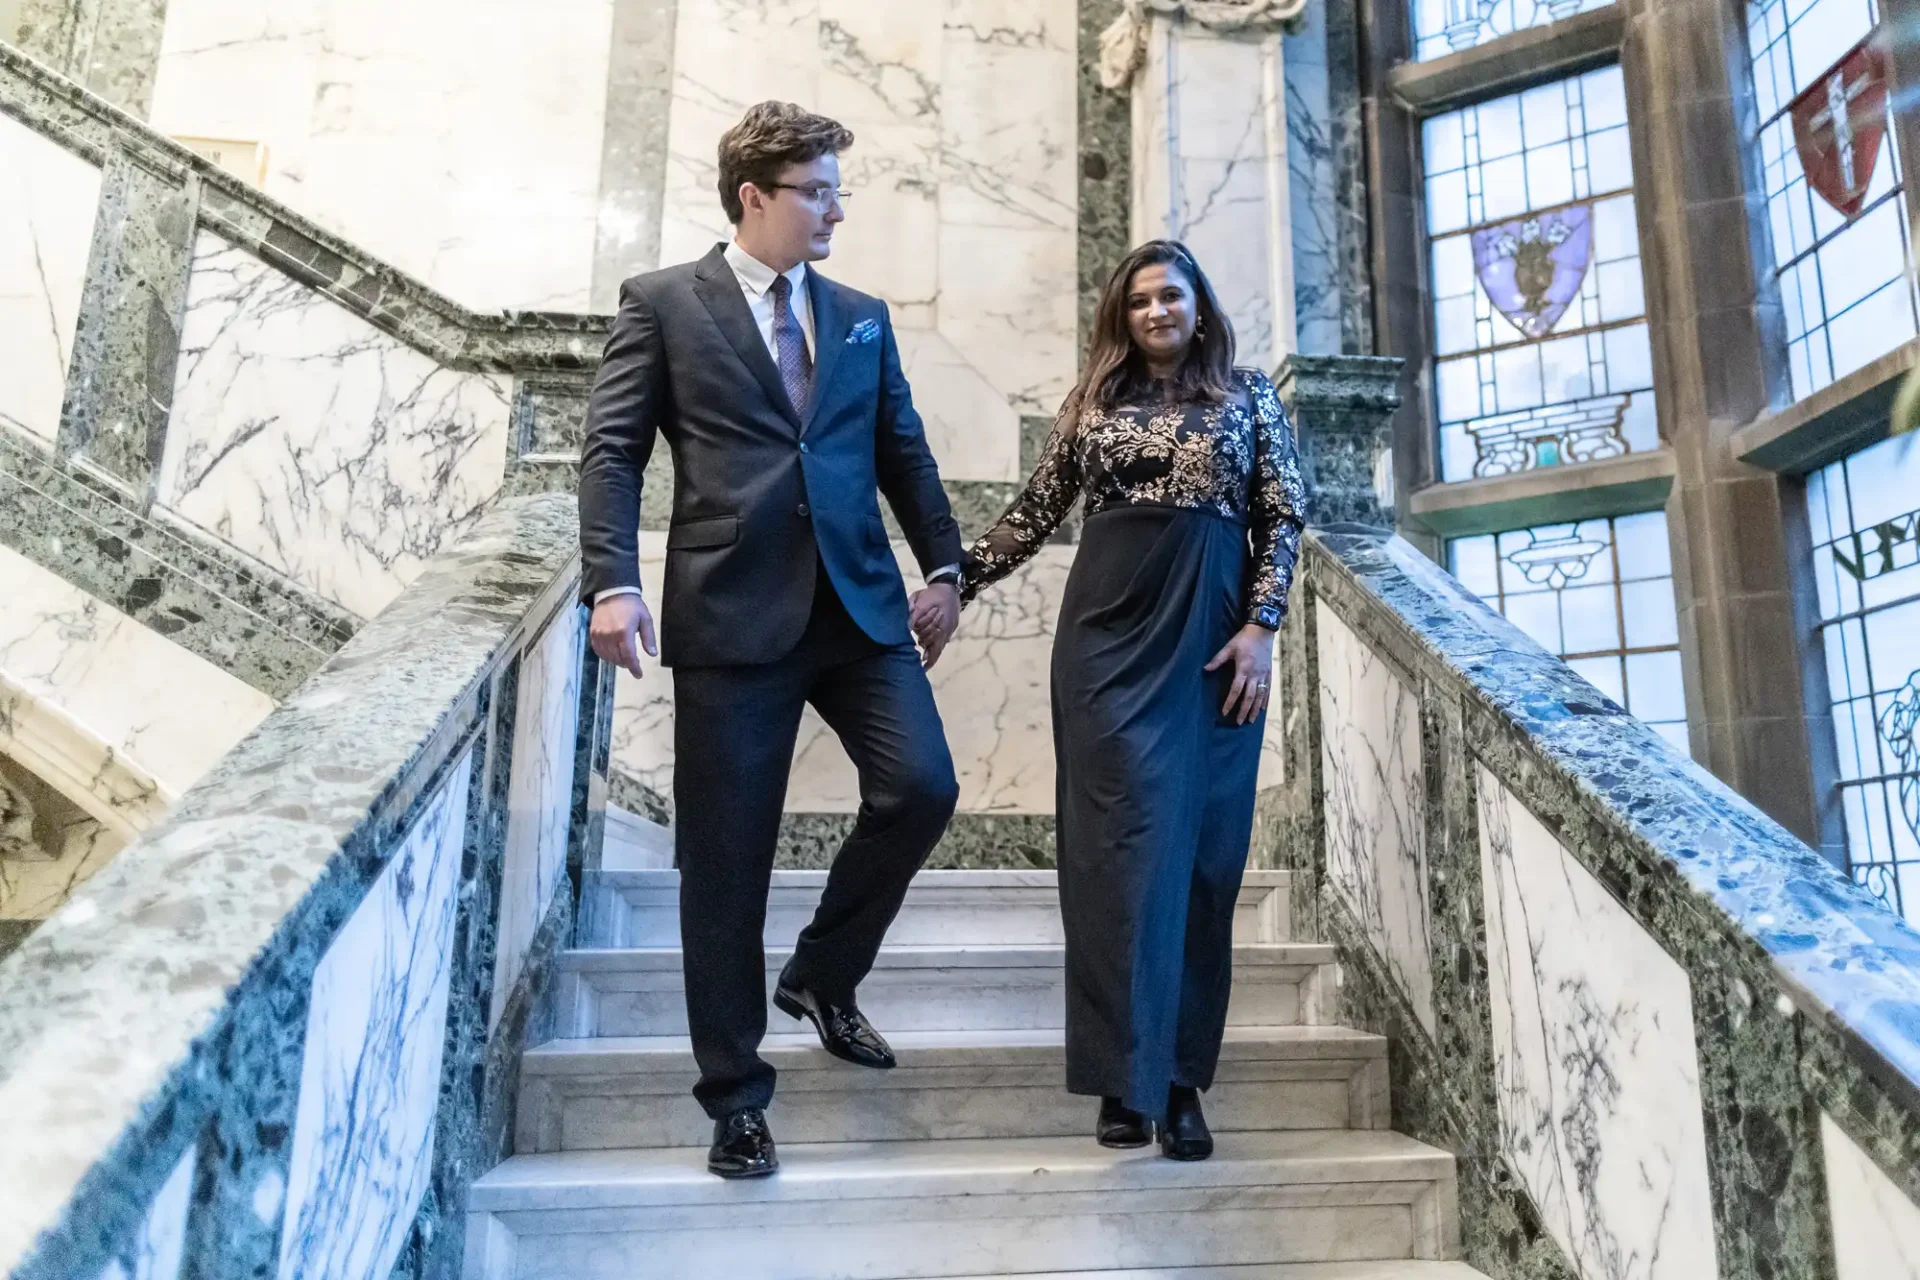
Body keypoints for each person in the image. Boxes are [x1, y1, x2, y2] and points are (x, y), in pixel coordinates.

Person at [578, 101, 965, 1180]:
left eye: (840, 190)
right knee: (726, 864)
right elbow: (611, 453)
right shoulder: (663, 304)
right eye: (820, 192)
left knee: (922, 787)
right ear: (755, 196)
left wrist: (944, 566)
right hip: (731, 612)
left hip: (858, 606)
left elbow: (904, 450)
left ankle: (825, 974)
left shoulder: (857, 313)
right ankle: (736, 1097)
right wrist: (611, 580)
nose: (838, 210)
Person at [950, 240, 1307, 1162]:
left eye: (1171, 297)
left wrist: (1263, 626)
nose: (1156, 312)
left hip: (1214, 644)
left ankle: (1182, 1083)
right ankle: (1121, 1082)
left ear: (1199, 305)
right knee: (1113, 860)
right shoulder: (1095, 401)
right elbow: (1035, 508)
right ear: (1123, 311)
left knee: (1199, 862)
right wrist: (957, 581)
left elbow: (1283, 512)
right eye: (1141, 299)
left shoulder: (1248, 395)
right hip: (1106, 642)